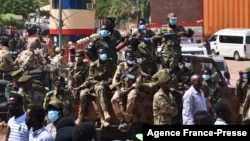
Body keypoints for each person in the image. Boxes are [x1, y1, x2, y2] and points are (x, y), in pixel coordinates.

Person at [75, 47, 116, 127]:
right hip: (94, 85)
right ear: (98, 55)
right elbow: (90, 79)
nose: (104, 55)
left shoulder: (110, 63)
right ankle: (80, 116)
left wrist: (109, 81)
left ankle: (104, 115)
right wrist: (100, 82)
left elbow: (115, 75)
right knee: (83, 93)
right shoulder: (93, 65)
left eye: (105, 54)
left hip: (106, 86)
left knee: (100, 89)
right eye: (101, 54)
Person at [111, 50, 142, 130]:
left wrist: (127, 91)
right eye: (128, 57)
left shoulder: (137, 67)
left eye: (131, 57)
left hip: (131, 88)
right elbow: (115, 79)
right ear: (125, 57)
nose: (130, 58)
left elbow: (138, 81)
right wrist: (118, 90)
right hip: (121, 87)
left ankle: (127, 119)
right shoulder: (121, 66)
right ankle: (121, 120)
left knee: (131, 98)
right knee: (114, 100)